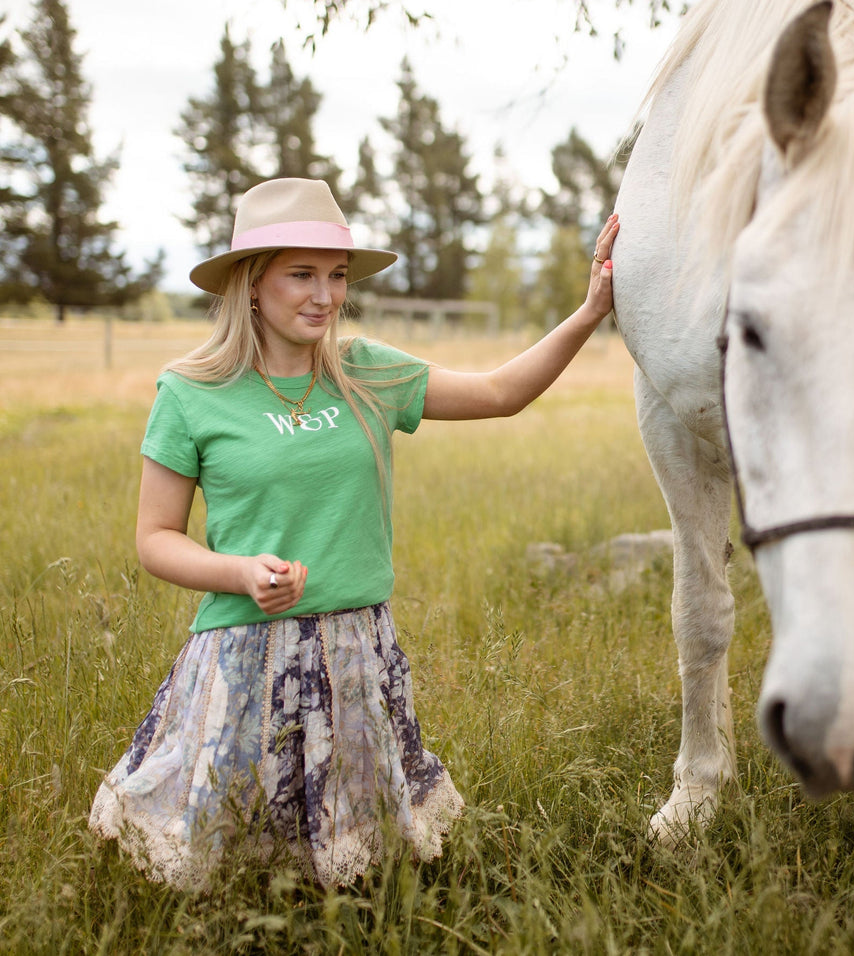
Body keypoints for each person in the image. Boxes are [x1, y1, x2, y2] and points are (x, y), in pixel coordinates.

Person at [89, 176, 618, 889]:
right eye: (301, 274)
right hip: (243, 655)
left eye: (336, 276)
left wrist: (589, 312)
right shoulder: (190, 393)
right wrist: (240, 571)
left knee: (353, 871)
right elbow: (155, 537)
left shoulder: (366, 372)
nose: (325, 295)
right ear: (251, 284)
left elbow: (501, 393)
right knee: (231, 867)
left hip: (355, 649)